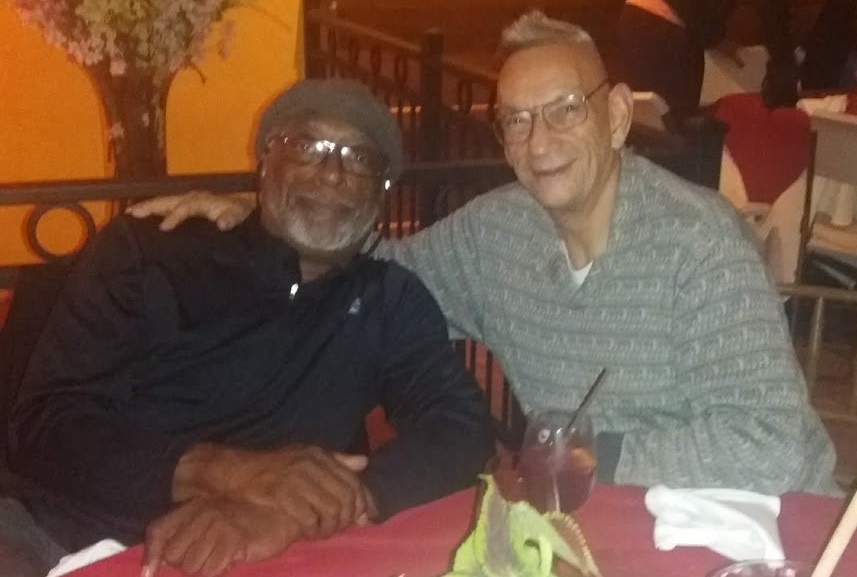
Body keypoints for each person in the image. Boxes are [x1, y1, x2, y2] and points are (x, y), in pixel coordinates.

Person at [128, 12, 839, 498]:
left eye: (564, 109)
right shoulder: (495, 234)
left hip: (771, 525)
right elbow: (377, 274)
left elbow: (773, 443)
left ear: (616, 116)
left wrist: (589, 457)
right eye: (515, 121)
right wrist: (268, 220)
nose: (537, 142)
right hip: (607, 521)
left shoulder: (699, 244)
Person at [0, 79, 493, 577]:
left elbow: (460, 428)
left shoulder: (389, 299)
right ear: (264, 162)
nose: (332, 173)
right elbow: (44, 425)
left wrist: (326, 501)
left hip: (265, 549)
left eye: (360, 159)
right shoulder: (152, 250)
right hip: (63, 530)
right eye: (307, 147)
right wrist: (230, 474)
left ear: (382, 192)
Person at [610, 0, 799, 121]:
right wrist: (715, 37)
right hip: (665, 28)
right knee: (671, 126)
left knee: (646, 120)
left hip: (639, 18)